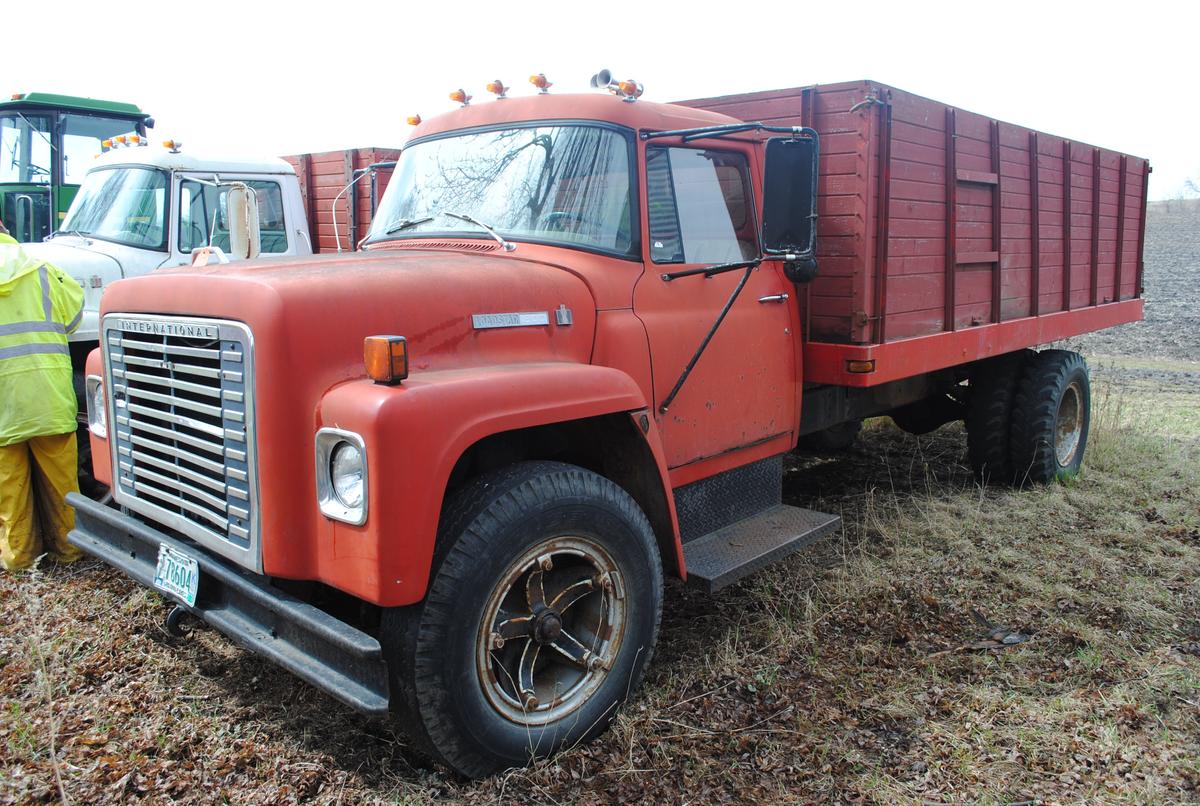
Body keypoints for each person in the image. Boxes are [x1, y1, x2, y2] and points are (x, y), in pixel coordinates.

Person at [0, 218, 85, 570]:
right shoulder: (45, 270)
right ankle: (72, 551)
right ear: (5, 228)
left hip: (4, 406)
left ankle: (21, 561)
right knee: (63, 485)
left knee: (10, 490)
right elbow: (76, 317)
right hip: (49, 398)